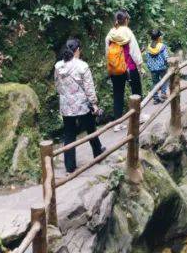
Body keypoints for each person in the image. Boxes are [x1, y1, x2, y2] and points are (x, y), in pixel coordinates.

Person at [54, 38, 105, 172]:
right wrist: (94, 104)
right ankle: (98, 152)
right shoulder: (82, 66)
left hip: (66, 105)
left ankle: (70, 166)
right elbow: (89, 88)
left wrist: (66, 97)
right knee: (90, 128)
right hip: (82, 105)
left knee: (69, 134)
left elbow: (57, 86)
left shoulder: (58, 66)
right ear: (77, 50)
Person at [105, 10, 144, 124]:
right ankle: (138, 117)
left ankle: (118, 123)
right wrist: (140, 65)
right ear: (126, 20)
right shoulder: (128, 32)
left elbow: (107, 52)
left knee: (118, 95)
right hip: (130, 68)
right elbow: (134, 51)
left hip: (116, 69)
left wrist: (112, 66)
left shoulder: (110, 34)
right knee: (136, 92)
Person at [143, 29, 170, 102]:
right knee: (165, 80)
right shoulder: (162, 46)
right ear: (159, 38)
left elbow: (147, 58)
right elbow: (166, 56)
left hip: (153, 69)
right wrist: (168, 63)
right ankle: (163, 93)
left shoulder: (149, 47)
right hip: (162, 67)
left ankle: (155, 98)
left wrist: (149, 67)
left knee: (155, 82)